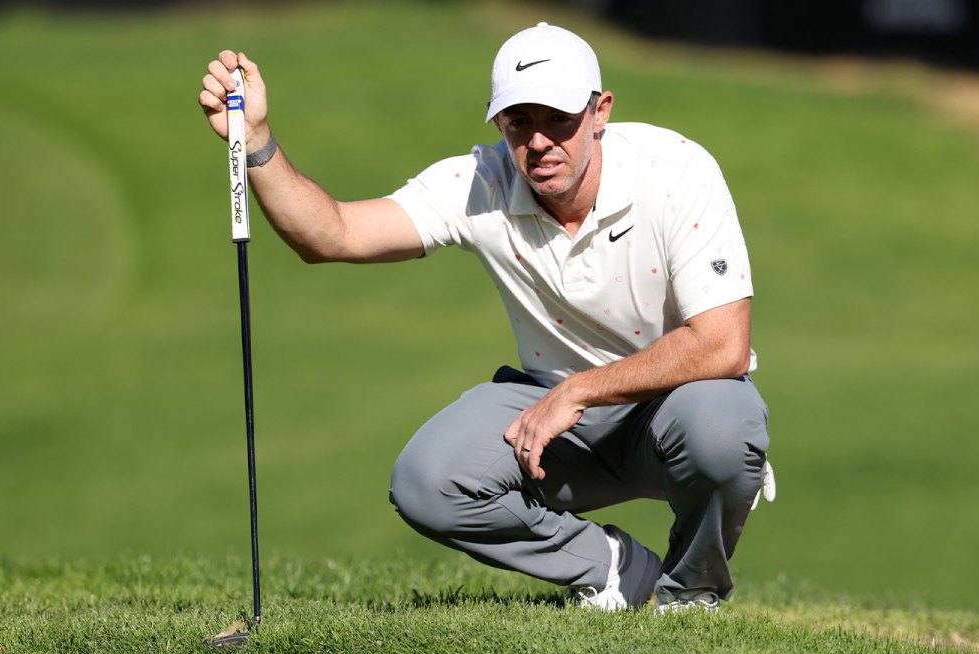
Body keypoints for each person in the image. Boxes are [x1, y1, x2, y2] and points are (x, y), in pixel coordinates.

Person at [199, 21, 773, 613]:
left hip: (670, 411)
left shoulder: (676, 171)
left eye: (559, 119)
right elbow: (331, 234)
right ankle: (613, 570)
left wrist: (577, 391)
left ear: (600, 112)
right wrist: (259, 140)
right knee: (428, 481)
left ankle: (691, 595)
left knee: (723, 427)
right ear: (498, 122)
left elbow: (721, 346)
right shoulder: (481, 180)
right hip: (556, 426)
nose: (540, 141)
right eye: (519, 121)